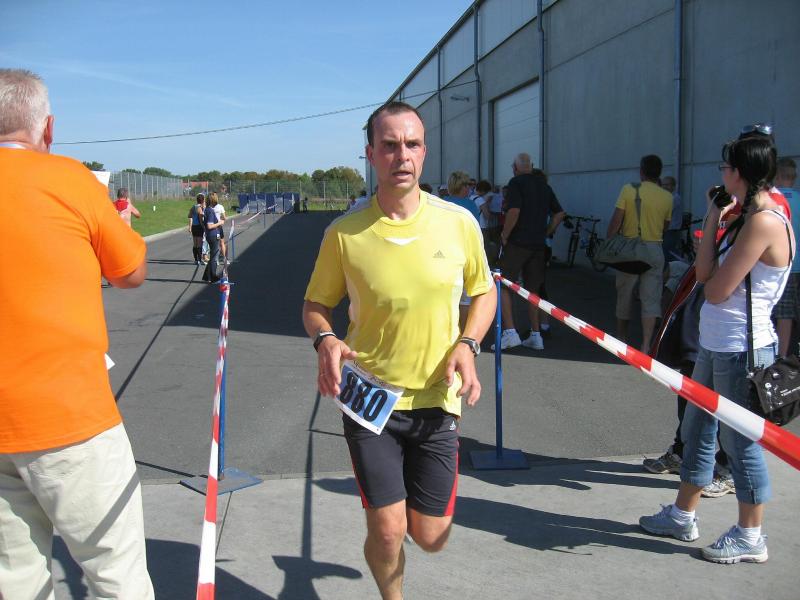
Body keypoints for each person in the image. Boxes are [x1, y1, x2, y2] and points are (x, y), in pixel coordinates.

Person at [302, 101, 495, 600]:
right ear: (371, 154)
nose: (401, 156)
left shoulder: (459, 223)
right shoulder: (344, 234)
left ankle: (405, 521)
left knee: (430, 536)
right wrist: (326, 338)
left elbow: (485, 291)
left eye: (411, 144)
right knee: (388, 531)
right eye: (389, 145)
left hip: (437, 398)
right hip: (371, 398)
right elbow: (315, 305)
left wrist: (468, 343)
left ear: (424, 152)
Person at [0, 69, 153, 597]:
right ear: (47, 128)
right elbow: (131, 273)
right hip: (67, 416)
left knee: (13, 579)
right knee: (115, 570)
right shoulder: (68, 178)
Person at [639, 130, 793, 564]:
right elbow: (704, 271)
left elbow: (716, 289)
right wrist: (712, 217)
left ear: (739, 172)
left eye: (725, 167)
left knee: (740, 444)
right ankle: (682, 514)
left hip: (741, 349)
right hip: (715, 343)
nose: (721, 174)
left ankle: (751, 535)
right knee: (697, 431)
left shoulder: (764, 221)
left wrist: (717, 234)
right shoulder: (743, 216)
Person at [494, 153, 565, 351]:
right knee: (533, 290)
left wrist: (505, 234)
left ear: (515, 168)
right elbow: (560, 213)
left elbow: (514, 211)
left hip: (518, 242)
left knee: (504, 284)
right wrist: (547, 231)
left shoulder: (516, 183)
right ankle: (536, 334)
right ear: (531, 166)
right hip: (538, 244)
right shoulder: (544, 186)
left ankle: (510, 332)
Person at [606, 154, 673, 352]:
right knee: (651, 299)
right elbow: (665, 226)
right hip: (654, 249)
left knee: (625, 294)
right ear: (659, 173)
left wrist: (610, 242)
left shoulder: (628, 190)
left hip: (630, 249)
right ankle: (645, 345)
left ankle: (621, 339)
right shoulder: (667, 197)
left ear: (641, 171)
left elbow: (616, 220)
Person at [772, 157, 799, 357]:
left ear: (776, 177)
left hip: (783, 264)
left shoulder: (773, 201)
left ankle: (781, 358)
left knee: (783, 314)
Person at [202, 195, 223, 283]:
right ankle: (213, 277)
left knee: (213, 256)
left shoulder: (207, 209)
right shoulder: (210, 211)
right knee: (214, 257)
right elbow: (209, 225)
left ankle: (207, 276)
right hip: (213, 235)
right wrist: (220, 223)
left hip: (210, 235)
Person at [660, 175, 683, 261]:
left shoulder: (674, 198)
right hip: (668, 231)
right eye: (663, 185)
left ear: (673, 186)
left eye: (667, 184)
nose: (664, 187)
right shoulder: (667, 198)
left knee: (668, 255)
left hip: (671, 232)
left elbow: (663, 214)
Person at [188, 192, 206, 265]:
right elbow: (201, 220)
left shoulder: (193, 207)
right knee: (199, 244)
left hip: (194, 227)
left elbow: (189, 216)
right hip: (199, 227)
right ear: (203, 200)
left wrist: (190, 226)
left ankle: (196, 259)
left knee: (195, 244)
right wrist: (204, 227)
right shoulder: (199, 208)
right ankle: (199, 259)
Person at [210, 191, 227, 264]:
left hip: (211, 227)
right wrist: (220, 219)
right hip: (218, 227)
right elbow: (224, 217)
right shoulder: (220, 207)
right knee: (222, 243)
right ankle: (224, 258)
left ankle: (215, 259)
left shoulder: (209, 207)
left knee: (214, 244)